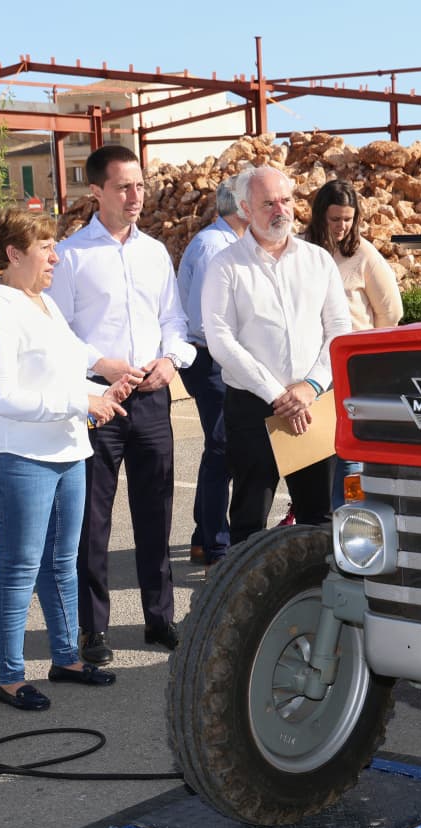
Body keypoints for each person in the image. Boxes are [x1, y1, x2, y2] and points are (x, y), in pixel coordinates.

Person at [0, 207, 138, 711]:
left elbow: (59, 376)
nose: (56, 257)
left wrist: (101, 388)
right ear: (14, 254)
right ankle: (10, 676)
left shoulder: (40, 303)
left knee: (62, 563)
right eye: (45, 248)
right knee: (19, 566)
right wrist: (81, 402)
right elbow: (0, 397)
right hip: (19, 456)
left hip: (66, 449)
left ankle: (65, 657)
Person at [49, 145, 192, 663]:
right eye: (124, 187)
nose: (136, 196)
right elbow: (57, 330)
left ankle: (160, 619)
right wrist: (101, 363)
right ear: (97, 192)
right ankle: (94, 629)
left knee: (156, 511)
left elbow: (174, 320)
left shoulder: (155, 252)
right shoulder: (70, 256)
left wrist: (171, 360)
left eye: (140, 185)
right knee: (93, 520)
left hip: (153, 398)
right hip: (98, 401)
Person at [201, 166, 350, 542]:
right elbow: (220, 339)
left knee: (318, 519)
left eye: (285, 200)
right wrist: (277, 394)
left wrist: (311, 386)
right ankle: (248, 600)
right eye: (268, 203)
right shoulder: (225, 266)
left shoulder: (317, 260)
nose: (279, 210)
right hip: (253, 407)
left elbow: (338, 330)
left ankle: (316, 596)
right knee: (251, 519)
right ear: (246, 209)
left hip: (311, 404)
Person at [303, 179, 403, 508]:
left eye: (348, 219)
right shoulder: (302, 251)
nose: (342, 226)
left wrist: (371, 361)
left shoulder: (363, 255)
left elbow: (390, 311)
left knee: (349, 454)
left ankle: (350, 516)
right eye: (335, 219)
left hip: (351, 369)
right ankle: (319, 524)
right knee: (313, 452)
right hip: (309, 368)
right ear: (319, 217)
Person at [176, 172, 249, 569]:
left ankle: (204, 535)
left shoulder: (232, 243)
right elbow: (206, 321)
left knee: (223, 448)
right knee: (222, 448)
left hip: (222, 358)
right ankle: (215, 543)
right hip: (211, 358)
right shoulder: (211, 247)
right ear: (241, 207)